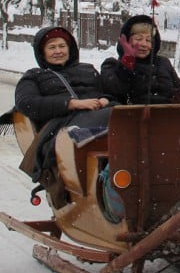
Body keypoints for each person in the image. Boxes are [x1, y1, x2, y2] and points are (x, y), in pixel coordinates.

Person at [14, 25, 113, 180]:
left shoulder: (88, 70)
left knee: (127, 114)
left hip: (100, 115)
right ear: (42, 52)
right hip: (64, 126)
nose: (58, 51)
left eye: (62, 46)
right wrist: (71, 104)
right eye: (52, 47)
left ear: (70, 48)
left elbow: (109, 92)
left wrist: (104, 99)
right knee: (115, 117)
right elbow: (26, 103)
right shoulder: (35, 76)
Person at [101, 15, 180, 105]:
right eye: (138, 39)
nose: (144, 44)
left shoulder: (164, 63)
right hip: (132, 116)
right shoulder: (111, 65)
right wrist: (127, 62)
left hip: (168, 116)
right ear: (126, 41)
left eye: (148, 40)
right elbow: (114, 92)